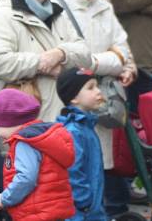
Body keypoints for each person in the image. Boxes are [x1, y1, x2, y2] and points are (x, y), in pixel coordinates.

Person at [0, 89, 76, 221]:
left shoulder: (25, 142)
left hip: (36, 214)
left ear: (10, 122)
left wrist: (4, 198)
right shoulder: (41, 138)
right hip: (51, 211)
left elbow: (26, 178)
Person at [55, 68, 107, 221]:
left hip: (92, 209)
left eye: (97, 86)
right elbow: (73, 172)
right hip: (82, 213)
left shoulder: (86, 126)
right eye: (91, 87)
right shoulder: (73, 131)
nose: (98, 91)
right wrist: (85, 203)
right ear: (74, 98)